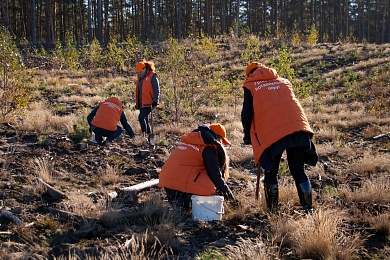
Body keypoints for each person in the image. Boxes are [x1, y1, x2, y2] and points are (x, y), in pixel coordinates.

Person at [241, 62, 318, 214]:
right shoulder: (284, 81)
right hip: (298, 127)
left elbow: (246, 114)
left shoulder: (251, 85)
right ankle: (308, 209)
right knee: (298, 170)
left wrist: (246, 135)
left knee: (270, 172)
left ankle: (272, 212)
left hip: (273, 132)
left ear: (250, 74)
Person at [158, 123, 235, 209]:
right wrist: (232, 200)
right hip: (182, 189)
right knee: (211, 186)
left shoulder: (187, 140)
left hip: (168, 186)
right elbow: (216, 176)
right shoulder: (207, 148)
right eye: (221, 141)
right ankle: (186, 201)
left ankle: (179, 201)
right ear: (217, 138)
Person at [135, 60, 160, 143]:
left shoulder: (152, 76)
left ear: (144, 68)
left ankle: (144, 135)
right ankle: (149, 138)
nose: (139, 73)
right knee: (145, 119)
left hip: (150, 103)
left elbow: (157, 89)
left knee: (141, 117)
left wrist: (155, 100)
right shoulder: (140, 78)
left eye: (140, 71)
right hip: (142, 103)